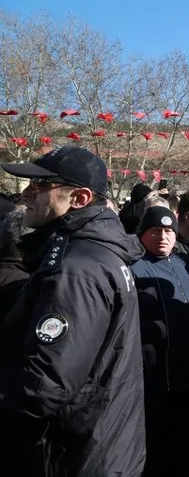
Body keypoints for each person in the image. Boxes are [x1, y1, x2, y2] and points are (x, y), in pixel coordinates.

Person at [0, 146, 145, 476]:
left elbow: (45, 384)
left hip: (77, 455)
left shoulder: (76, 268)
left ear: (79, 198)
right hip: (95, 446)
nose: (26, 194)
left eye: (40, 186)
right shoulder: (87, 254)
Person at [132, 206, 189, 477]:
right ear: (143, 234)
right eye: (155, 231)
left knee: (185, 440)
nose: (162, 237)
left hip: (187, 370)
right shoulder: (132, 267)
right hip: (152, 374)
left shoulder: (187, 264)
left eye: (168, 231)